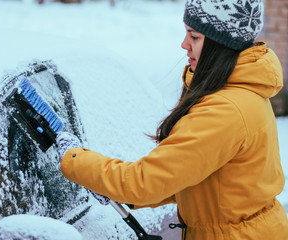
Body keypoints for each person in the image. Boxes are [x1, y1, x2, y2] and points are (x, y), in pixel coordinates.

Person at [56, 0, 288, 239]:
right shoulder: (242, 92)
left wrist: (73, 158)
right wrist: (114, 189)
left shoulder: (224, 110)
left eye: (194, 37)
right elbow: (197, 179)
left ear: (220, 44)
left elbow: (145, 183)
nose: (184, 44)